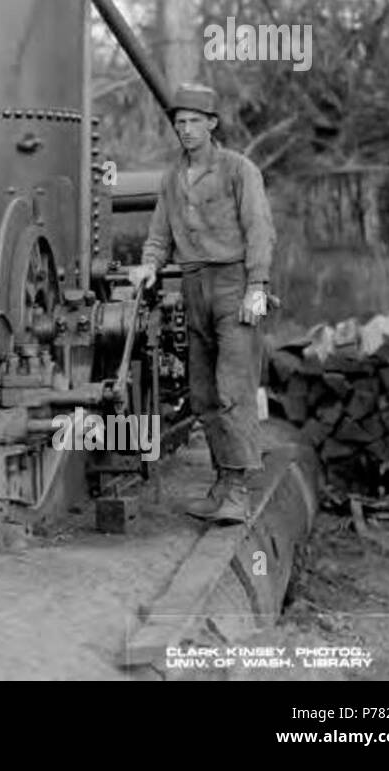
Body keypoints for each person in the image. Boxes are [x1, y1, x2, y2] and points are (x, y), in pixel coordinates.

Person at [128, 83, 276, 524]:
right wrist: (149, 265)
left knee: (234, 389)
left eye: (194, 122)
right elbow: (159, 234)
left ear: (212, 123)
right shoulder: (173, 178)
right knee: (204, 394)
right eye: (180, 123)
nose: (186, 130)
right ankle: (221, 483)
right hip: (194, 287)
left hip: (235, 286)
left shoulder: (238, 169)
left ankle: (238, 492)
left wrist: (258, 286)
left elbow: (260, 229)